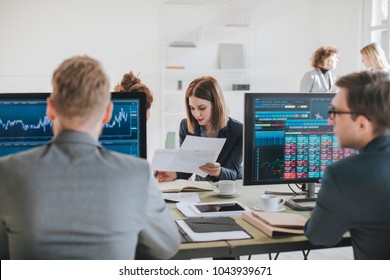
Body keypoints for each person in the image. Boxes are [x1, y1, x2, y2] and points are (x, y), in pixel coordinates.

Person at [0, 55, 180, 260]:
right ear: (108, 113)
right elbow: (166, 247)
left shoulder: (6, 172)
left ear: (50, 109)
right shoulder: (137, 173)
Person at [304, 71, 390, 259]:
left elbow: (320, 236)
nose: (329, 120)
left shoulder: (345, 174)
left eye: (335, 112)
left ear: (362, 123)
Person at [156, 76, 243, 183]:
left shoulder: (238, 130)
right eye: (192, 108)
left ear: (216, 104)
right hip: (201, 188)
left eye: (202, 108)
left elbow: (233, 173)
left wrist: (218, 171)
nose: (196, 114)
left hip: (229, 189)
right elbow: (187, 167)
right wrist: (174, 174)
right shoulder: (185, 126)